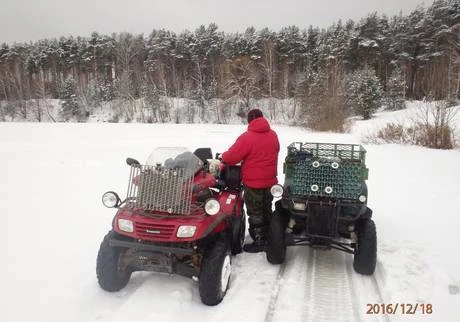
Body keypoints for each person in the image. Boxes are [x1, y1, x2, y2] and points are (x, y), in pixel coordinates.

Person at [222, 109, 280, 253]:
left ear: (249, 120)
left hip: (254, 183)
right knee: (266, 207)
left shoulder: (247, 137)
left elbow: (231, 157)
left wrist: (223, 157)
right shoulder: (273, 135)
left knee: (255, 212)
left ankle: (260, 241)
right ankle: (270, 236)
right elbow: (276, 150)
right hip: (270, 181)